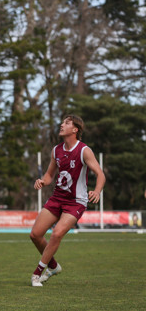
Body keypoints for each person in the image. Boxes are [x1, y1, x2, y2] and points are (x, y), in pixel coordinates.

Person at [29, 115, 106, 287]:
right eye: (62, 122)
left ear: (75, 129)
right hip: (57, 198)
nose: (62, 125)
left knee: (56, 233)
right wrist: (42, 181)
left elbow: (100, 174)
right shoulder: (56, 150)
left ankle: (37, 273)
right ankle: (54, 266)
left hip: (76, 202)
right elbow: (49, 175)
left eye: (66, 123)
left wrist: (97, 190)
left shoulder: (84, 150)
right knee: (35, 235)